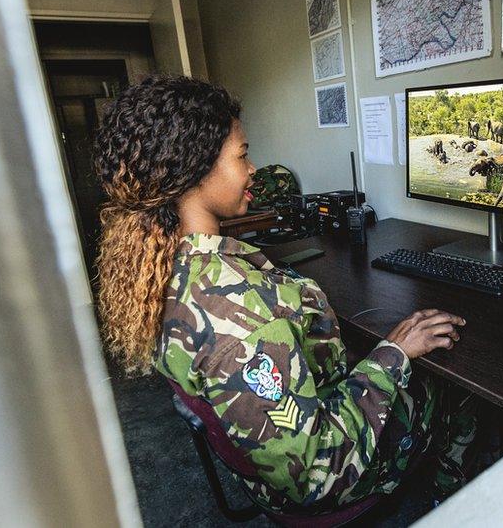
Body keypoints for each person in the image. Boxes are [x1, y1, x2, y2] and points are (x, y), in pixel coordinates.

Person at [93, 75, 477, 514]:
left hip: (259, 458)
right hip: (318, 474)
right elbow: (316, 469)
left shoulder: (161, 266)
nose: (253, 168)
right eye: (242, 155)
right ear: (195, 170)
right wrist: (393, 352)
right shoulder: (241, 318)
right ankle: (455, 504)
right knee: (452, 386)